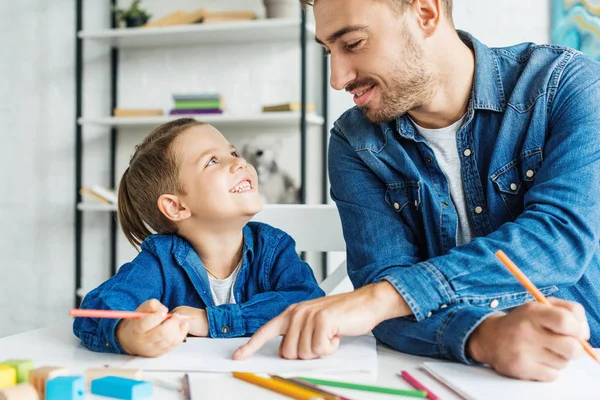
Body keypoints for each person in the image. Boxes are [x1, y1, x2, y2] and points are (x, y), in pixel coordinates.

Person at [233, 0, 600, 381]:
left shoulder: (568, 84)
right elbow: (382, 286)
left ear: (426, 12)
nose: (337, 78)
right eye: (328, 50)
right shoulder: (355, 142)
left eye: (353, 43)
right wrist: (485, 337)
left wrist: (383, 298)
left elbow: (559, 239)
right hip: (452, 375)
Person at [73, 118, 324, 357]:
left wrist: (210, 320)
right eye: (213, 161)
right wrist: (127, 335)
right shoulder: (161, 261)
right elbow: (95, 310)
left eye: (233, 153)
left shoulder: (274, 247)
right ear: (176, 207)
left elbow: (308, 303)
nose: (240, 163)